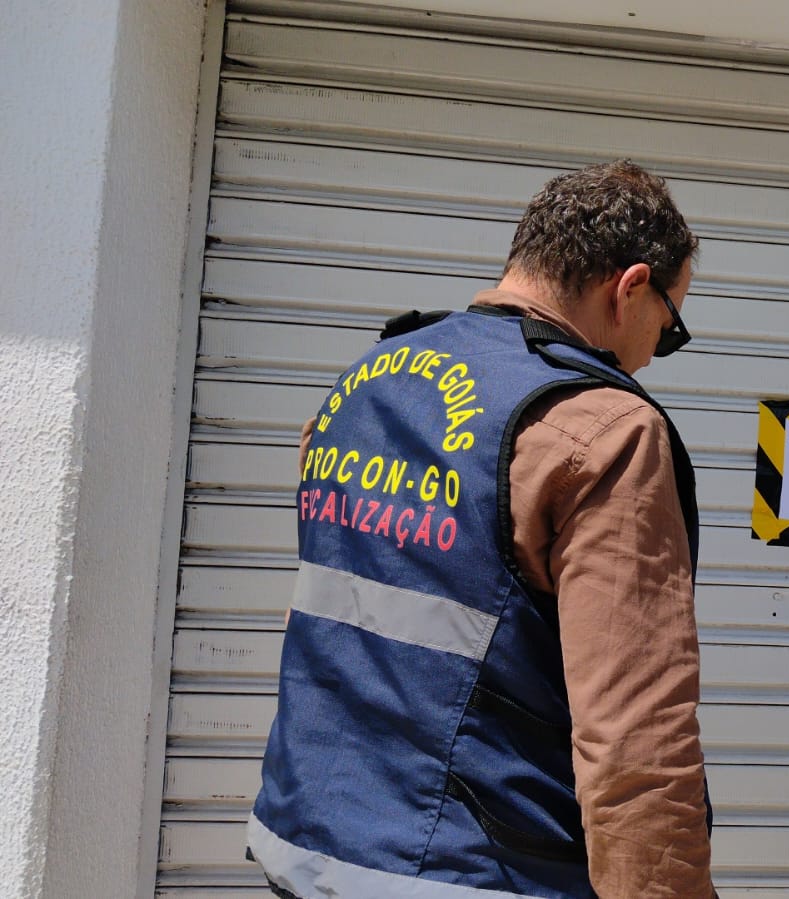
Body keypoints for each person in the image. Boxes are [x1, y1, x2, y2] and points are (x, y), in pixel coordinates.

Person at [248, 161, 717, 899]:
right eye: (671, 320)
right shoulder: (602, 431)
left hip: (307, 844)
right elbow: (633, 739)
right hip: (473, 871)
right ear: (628, 288)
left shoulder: (364, 381)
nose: (658, 349)